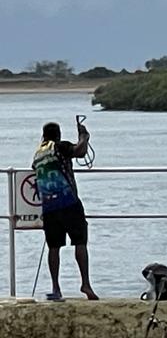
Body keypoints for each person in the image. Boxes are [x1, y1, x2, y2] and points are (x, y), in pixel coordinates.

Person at [32, 121, 99, 300]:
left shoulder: (38, 154)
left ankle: (56, 288)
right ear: (58, 134)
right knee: (80, 241)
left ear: (43, 135)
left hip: (49, 206)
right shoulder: (60, 147)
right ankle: (85, 284)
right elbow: (80, 152)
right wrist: (84, 137)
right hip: (68, 202)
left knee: (53, 247)